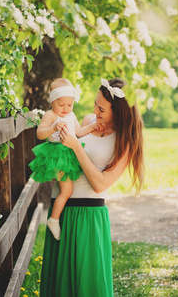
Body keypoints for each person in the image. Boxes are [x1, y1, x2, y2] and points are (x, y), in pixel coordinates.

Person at [40, 77, 145, 296]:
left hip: (89, 215)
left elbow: (100, 184)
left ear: (118, 112)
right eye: (95, 104)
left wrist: (77, 147)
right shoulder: (86, 121)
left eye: (102, 109)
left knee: (88, 285)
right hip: (60, 212)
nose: (95, 111)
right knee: (60, 287)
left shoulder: (125, 142)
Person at [29, 78, 102, 240]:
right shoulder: (50, 115)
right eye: (61, 105)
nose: (65, 109)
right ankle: (53, 220)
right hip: (57, 155)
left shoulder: (71, 114)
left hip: (69, 153)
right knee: (67, 190)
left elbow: (78, 132)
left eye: (70, 105)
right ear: (52, 102)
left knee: (70, 188)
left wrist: (92, 126)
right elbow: (39, 133)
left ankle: (57, 217)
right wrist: (53, 127)